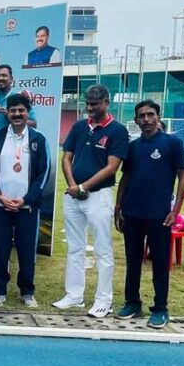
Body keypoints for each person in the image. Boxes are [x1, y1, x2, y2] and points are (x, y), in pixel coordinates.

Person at [53, 85, 129, 318]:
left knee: (102, 249)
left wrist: (83, 187)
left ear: (106, 102)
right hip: (74, 195)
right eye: (87, 103)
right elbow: (66, 157)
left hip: (99, 196)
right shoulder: (79, 126)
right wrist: (73, 185)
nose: (89, 108)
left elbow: (112, 167)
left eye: (94, 104)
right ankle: (74, 295)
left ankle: (104, 300)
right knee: (74, 247)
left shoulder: (117, 130)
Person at [114, 100, 184, 329]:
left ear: (158, 117)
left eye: (150, 114)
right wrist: (118, 207)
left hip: (160, 215)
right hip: (132, 213)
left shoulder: (172, 143)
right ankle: (132, 303)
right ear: (136, 120)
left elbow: (183, 175)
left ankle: (160, 308)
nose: (146, 119)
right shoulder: (133, 146)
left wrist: (175, 210)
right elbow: (125, 177)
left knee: (160, 263)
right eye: (141, 116)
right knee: (133, 261)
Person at [0, 94, 50, 308]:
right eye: (13, 111)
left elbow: (44, 173)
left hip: (26, 207)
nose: (17, 114)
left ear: (28, 113)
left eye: (21, 110)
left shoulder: (38, 139)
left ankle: (27, 291)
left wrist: (26, 199)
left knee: (26, 250)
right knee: (1, 250)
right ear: (8, 114)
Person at [0, 65, 37, 146]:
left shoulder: (20, 99)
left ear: (11, 79)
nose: (0, 78)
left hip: (14, 147)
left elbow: (33, 125)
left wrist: (11, 116)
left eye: (4, 75)